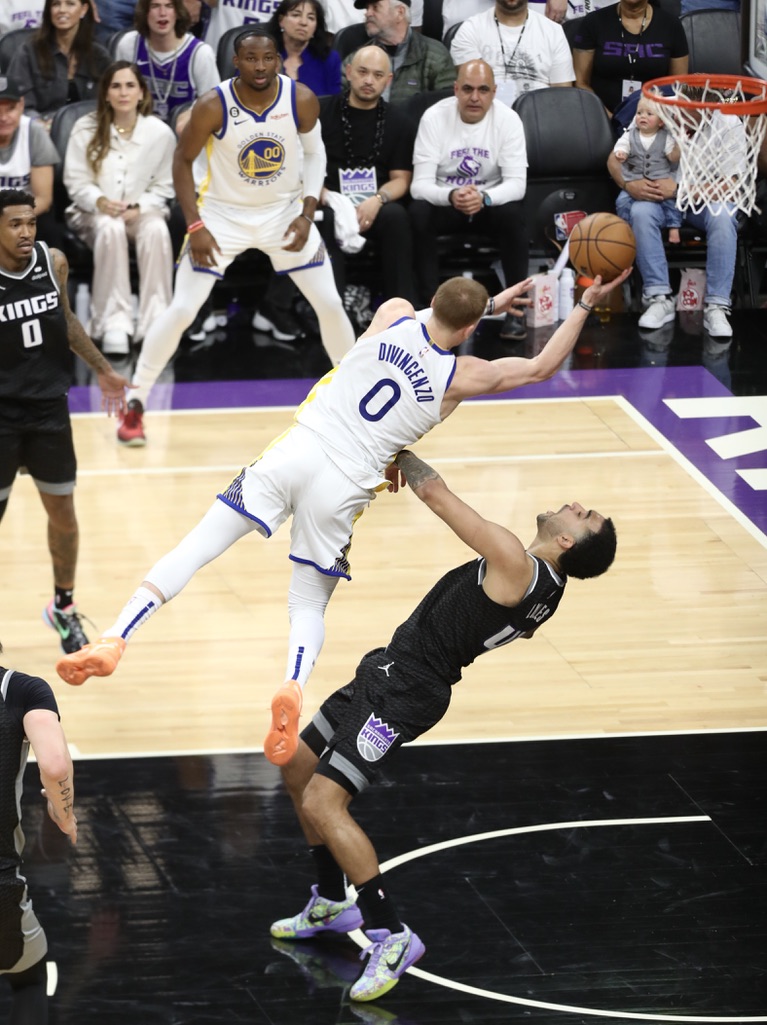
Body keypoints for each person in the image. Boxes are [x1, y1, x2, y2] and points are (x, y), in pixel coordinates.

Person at [55, 266, 630, 765]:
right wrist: (583, 304)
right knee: (307, 602)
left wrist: (486, 305)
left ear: (435, 300)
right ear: (472, 328)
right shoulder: (462, 377)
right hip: (347, 482)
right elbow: (540, 367)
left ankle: (116, 636)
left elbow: (440, 316)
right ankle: (292, 684)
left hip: (298, 449)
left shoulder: (394, 312)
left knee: (195, 548)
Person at [270, 448, 617, 1002]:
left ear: (566, 542)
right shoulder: (548, 589)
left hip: (405, 691)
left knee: (322, 803)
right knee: (297, 764)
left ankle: (391, 934)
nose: (575, 505)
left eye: (583, 515)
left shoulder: (514, 561)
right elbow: (514, 623)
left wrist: (393, 446)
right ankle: (332, 901)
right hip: (389, 671)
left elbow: (433, 493)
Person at [113, 27, 355, 447]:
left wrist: (307, 212)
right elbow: (181, 161)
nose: (260, 67)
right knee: (183, 308)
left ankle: (353, 402)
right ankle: (135, 402)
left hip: (283, 214)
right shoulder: (213, 105)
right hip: (222, 217)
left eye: (267, 58)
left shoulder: (300, 98)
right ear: (236, 61)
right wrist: (195, 225)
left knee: (330, 303)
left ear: (277, 59)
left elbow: (315, 154)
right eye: (251, 59)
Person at [0, 188, 129, 653]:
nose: (26, 232)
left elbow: (67, 321)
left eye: (31, 222)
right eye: (15, 223)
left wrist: (104, 370)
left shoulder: (52, 262)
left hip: (49, 410)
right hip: (2, 416)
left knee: (64, 518)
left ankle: (63, 606)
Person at [607, 85, 744, 337]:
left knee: (724, 216)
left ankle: (717, 306)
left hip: (702, 198)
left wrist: (681, 190)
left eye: (692, 117)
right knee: (640, 211)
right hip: (660, 197)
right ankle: (658, 297)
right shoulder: (655, 108)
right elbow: (613, 160)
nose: (682, 121)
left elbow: (732, 185)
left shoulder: (728, 121)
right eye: (681, 112)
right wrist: (629, 184)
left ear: (710, 110)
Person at [63, 62, 176, 358]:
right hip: (93, 213)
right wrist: (100, 201)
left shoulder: (160, 133)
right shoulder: (85, 128)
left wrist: (140, 207)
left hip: (142, 212)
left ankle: (155, 323)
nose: (123, 92)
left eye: (130, 86)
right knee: (110, 227)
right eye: (116, 86)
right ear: (106, 93)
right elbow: (76, 182)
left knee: (156, 228)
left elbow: (165, 186)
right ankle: (113, 323)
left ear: (142, 93)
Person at [409, 59, 528, 336]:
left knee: (514, 214)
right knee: (417, 212)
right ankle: (428, 310)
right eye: (467, 89)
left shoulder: (509, 120)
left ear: (494, 92)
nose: (475, 97)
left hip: (488, 203)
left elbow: (517, 185)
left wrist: (484, 198)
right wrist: (451, 195)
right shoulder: (434, 117)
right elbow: (419, 186)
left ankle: (515, 310)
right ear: (455, 89)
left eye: (483, 90)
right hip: (446, 202)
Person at [0, 641, 78, 1024]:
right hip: (1, 888)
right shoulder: (22, 689)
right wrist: (65, 816)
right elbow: (55, 764)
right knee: (30, 981)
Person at [318, 45, 417, 307]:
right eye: (362, 72)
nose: (369, 80)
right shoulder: (320, 113)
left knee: (396, 216)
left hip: (375, 202)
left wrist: (378, 199)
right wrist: (327, 197)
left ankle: (400, 308)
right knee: (325, 218)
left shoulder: (400, 122)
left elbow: (401, 179)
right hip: (329, 199)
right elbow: (303, 168)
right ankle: (332, 311)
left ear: (388, 80)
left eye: (377, 75)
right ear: (349, 72)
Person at [571, 0, 688, 124]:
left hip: (655, 120)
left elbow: (678, 85)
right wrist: (610, 119)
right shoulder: (594, 22)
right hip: (601, 119)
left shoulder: (671, 25)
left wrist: (654, 121)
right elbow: (580, 83)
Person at [449, 0, 575, 108]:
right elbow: (472, 91)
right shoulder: (470, 30)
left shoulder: (554, 32)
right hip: (487, 115)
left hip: (540, 116)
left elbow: (562, 95)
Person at [114, 0, 220, 124]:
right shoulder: (129, 45)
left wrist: (191, 113)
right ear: (145, 12)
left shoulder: (200, 54)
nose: (162, 13)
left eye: (169, 6)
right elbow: (116, 94)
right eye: (155, 6)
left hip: (183, 131)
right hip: (137, 129)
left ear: (178, 12)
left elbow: (215, 106)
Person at [7, 0, 110, 127]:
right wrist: (39, 124)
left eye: (70, 4)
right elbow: (17, 103)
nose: (62, 10)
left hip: (90, 128)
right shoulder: (28, 52)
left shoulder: (99, 56)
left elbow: (109, 102)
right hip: (42, 129)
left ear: (83, 10)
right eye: (56, 4)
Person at [338, 0, 456, 106]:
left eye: (375, 7)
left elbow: (447, 103)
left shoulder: (434, 54)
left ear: (400, 12)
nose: (367, 13)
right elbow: (337, 98)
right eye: (367, 8)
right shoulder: (359, 56)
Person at [0, 72, 63, 248]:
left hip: (28, 212)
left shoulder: (34, 132)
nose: (3, 117)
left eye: (10, 109)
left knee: (48, 231)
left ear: (21, 105)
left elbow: (43, 198)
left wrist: (13, 221)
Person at [612, 95, 681, 247]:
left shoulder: (666, 137)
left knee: (671, 203)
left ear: (661, 122)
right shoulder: (630, 133)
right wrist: (621, 153)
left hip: (660, 178)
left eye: (649, 114)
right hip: (635, 178)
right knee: (622, 201)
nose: (643, 116)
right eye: (639, 113)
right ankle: (625, 227)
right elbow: (622, 145)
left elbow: (673, 157)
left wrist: (678, 147)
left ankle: (674, 227)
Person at [266, 0, 342, 96]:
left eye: (310, 18)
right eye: (296, 15)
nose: (304, 22)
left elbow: (335, 101)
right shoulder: (264, 55)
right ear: (281, 20)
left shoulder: (330, 59)